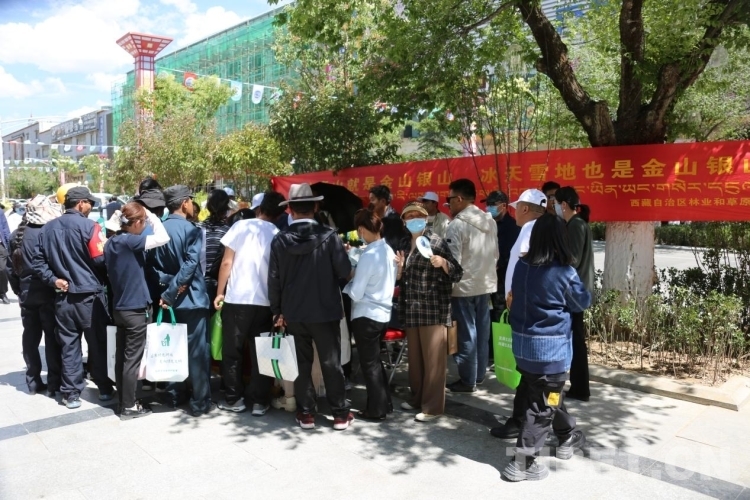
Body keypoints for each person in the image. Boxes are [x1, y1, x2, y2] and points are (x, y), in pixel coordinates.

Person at [501, 213, 590, 482]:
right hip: (551, 354)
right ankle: (522, 463)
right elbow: (582, 302)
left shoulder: (522, 266)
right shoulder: (565, 272)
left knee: (547, 394)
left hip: (523, 348)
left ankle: (566, 436)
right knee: (542, 406)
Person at [268, 183, 354, 431]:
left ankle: (306, 413)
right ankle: (340, 414)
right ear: (315, 207)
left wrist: (277, 311)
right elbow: (345, 271)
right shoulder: (329, 236)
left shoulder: (280, 240)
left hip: (294, 311)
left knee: (302, 363)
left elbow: (273, 279)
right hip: (326, 310)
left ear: (290, 210)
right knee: (331, 362)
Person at [32, 186, 114, 409]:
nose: (91, 207)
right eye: (90, 203)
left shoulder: (47, 229)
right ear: (80, 203)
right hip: (90, 298)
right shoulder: (91, 227)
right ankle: (104, 388)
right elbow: (100, 259)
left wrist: (53, 280)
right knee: (97, 344)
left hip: (63, 298)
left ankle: (71, 394)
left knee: (69, 346)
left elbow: (37, 262)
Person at [213, 191, 285, 416]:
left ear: (259, 208)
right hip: (265, 302)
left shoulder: (240, 226)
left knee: (232, 352)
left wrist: (220, 292)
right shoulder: (277, 234)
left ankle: (234, 398)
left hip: (236, 299)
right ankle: (259, 402)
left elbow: (226, 262)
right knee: (261, 352)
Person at [146, 185, 212, 417]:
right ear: (184, 203)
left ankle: (174, 395)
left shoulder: (158, 229)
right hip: (191, 298)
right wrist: (174, 288)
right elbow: (191, 264)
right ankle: (200, 402)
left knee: (173, 347)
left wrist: (167, 287)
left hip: (167, 300)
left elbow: (150, 265)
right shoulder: (191, 230)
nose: (192, 205)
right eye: (191, 201)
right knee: (197, 352)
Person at [396, 202, 462, 421]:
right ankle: (417, 398)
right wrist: (399, 270)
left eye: (418, 215)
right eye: (409, 216)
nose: (414, 219)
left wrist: (442, 262)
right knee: (415, 361)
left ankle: (432, 407)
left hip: (433, 309)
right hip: (411, 309)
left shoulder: (435, 241)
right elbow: (402, 279)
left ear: (426, 219)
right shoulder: (404, 244)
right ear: (404, 221)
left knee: (433, 361)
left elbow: (457, 272)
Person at [490, 188, 547, 439]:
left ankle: (524, 421)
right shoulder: (545, 229)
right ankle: (555, 424)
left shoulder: (529, 229)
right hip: (532, 308)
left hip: (523, 308)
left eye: (517, 208)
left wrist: (515, 297)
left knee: (530, 370)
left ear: (525, 208)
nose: (515, 213)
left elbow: (524, 264)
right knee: (534, 371)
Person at [105, 202, 170, 420]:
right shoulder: (130, 241)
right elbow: (163, 237)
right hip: (135, 310)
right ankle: (129, 406)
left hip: (120, 308)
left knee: (123, 358)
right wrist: (151, 215)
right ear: (137, 222)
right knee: (132, 360)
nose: (144, 226)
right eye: (143, 222)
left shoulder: (112, 242)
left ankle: (124, 401)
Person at [444, 179, 498, 393]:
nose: (448, 204)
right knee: (482, 333)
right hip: (485, 285)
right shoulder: (490, 221)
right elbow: (496, 254)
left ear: (459, 199)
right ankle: (479, 375)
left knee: (466, 334)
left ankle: (468, 380)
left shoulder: (456, 225)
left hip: (463, 288)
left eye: (449, 199)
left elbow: (453, 263)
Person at [343, 209, 396, 420]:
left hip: (366, 315)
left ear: (362, 229)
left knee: (370, 365)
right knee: (375, 362)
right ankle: (385, 403)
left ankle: (376, 409)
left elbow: (356, 293)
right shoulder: (388, 250)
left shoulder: (370, 255)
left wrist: (348, 283)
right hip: (383, 314)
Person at [7, 195, 63, 397]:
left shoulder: (16, 235)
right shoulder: (48, 232)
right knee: (52, 337)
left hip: (26, 292)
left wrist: (18, 289)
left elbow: (10, 269)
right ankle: (54, 382)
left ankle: (32, 381)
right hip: (48, 290)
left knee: (30, 337)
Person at [555, 187, 595, 402]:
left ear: (563, 205)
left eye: (555, 202)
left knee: (577, 341)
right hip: (576, 291)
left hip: (575, 292)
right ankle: (579, 387)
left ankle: (580, 388)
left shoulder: (576, 225)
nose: (553, 206)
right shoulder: (575, 224)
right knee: (575, 339)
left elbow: (574, 259)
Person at [482, 191, 520, 321]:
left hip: (502, 279)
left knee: (500, 314)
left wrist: (496, 265)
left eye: (492, 204)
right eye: (487, 204)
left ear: (503, 206)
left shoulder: (513, 226)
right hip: (486, 279)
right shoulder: (486, 224)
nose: (488, 207)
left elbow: (509, 254)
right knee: (487, 314)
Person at [197, 189, 231, 311]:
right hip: (221, 286)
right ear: (226, 207)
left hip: (199, 283)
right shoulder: (229, 231)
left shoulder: (197, 228)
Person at [369, 185, 409, 253]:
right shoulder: (374, 219)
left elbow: (392, 245)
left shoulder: (395, 220)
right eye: (370, 200)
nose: (370, 203)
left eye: (372, 200)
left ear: (383, 201)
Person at [0, 206, 11, 304]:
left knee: (3, 269)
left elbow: (5, 228)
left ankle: (2, 292)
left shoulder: (0, 212)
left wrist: (9, 245)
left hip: (1, 245)